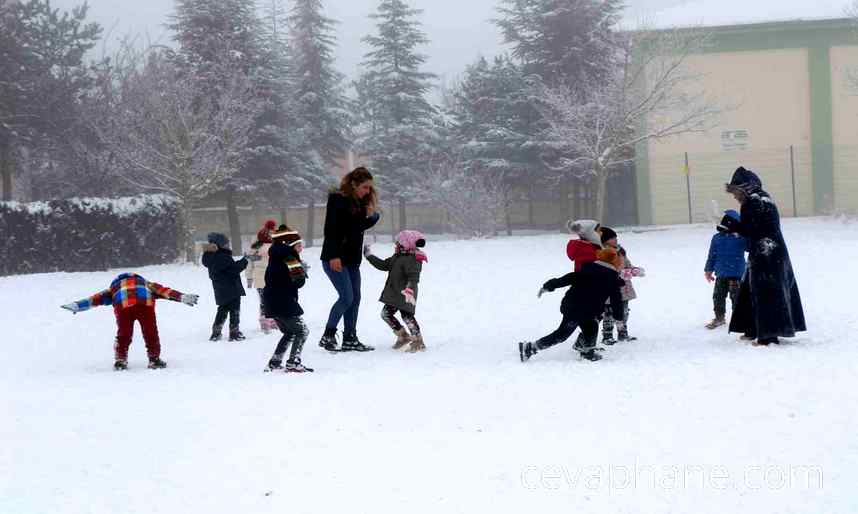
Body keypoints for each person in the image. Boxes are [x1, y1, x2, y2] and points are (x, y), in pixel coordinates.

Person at [720, 166, 806, 345]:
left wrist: (733, 225)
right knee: (752, 291)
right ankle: (752, 328)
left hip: (765, 253)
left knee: (765, 292)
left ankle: (767, 336)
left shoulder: (753, 201)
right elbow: (760, 227)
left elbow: (754, 229)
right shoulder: (764, 198)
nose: (735, 196)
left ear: (745, 188)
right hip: (772, 251)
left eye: (736, 192)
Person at [60, 273, 198, 370]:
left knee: (124, 334)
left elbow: (95, 299)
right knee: (150, 332)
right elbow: (165, 291)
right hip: (145, 305)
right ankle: (154, 359)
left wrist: (77, 306)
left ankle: (120, 360)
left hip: (123, 307)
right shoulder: (145, 283)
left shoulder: (113, 288)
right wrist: (182, 297)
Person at [519, 248, 626, 363]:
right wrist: (619, 317)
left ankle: (587, 351)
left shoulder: (587, 269)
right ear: (615, 262)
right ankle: (530, 348)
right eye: (622, 262)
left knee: (591, 327)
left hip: (577, 307)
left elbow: (567, 278)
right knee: (562, 334)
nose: (622, 264)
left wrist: (549, 286)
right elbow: (616, 301)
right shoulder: (612, 279)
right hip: (576, 310)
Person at [318, 167, 381, 352]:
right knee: (346, 297)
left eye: (369, 188)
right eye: (365, 187)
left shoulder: (361, 203)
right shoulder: (338, 200)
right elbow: (331, 230)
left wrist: (373, 215)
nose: (367, 191)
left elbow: (356, 227)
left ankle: (350, 338)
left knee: (355, 298)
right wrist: (334, 255)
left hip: (352, 259)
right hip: (335, 258)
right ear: (353, 184)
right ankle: (328, 335)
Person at [364, 230, 428, 353]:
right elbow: (383, 265)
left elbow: (414, 277)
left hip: (406, 294)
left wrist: (409, 289)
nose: (396, 245)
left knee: (407, 316)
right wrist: (369, 255)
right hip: (394, 294)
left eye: (398, 243)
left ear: (406, 244)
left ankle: (418, 341)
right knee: (386, 314)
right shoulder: (397, 257)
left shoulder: (413, 258)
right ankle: (403, 336)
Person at [262, 227, 313, 373]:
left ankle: (275, 362)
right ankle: (293, 363)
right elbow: (299, 282)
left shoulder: (275, 257)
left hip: (271, 300)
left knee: (290, 332)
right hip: (283, 301)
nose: (301, 248)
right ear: (289, 245)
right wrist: (302, 271)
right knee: (302, 331)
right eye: (298, 245)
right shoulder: (290, 257)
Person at [599, 227, 645, 344]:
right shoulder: (602, 252)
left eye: (615, 237)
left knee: (624, 310)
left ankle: (622, 333)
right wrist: (619, 273)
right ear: (604, 240)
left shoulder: (620, 250)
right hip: (609, 287)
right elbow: (603, 269)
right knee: (609, 312)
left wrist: (633, 270)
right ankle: (607, 335)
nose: (615, 240)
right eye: (612, 238)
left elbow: (627, 264)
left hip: (624, 287)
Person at [703, 210, 747, 329]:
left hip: (736, 275)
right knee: (718, 296)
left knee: (736, 297)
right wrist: (708, 270)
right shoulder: (717, 238)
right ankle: (719, 317)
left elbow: (750, 247)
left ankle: (739, 319)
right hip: (721, 274)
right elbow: (712, 255)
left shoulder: (741, 238)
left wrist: (743, 235)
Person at [202, 232, 248, 342]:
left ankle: (216, 333)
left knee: (222, 309)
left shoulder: (210, 256)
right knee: (234, 310)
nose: (228, 246)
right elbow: (234, 269)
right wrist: (245, 260)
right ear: (219, 245)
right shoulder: (222, 256)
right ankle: (234, 333)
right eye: (225, 244)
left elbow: (228, 268)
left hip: (220, 289)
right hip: (231, 288)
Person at [248, 220, 277, 333]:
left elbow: (249, 265)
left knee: (268, 300)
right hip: (267, 277)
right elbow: (249, 261)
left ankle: (269, 321)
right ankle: (269, 321)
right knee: (269, 300)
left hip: (267, 278)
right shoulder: (263, 245)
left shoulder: (256, 249)